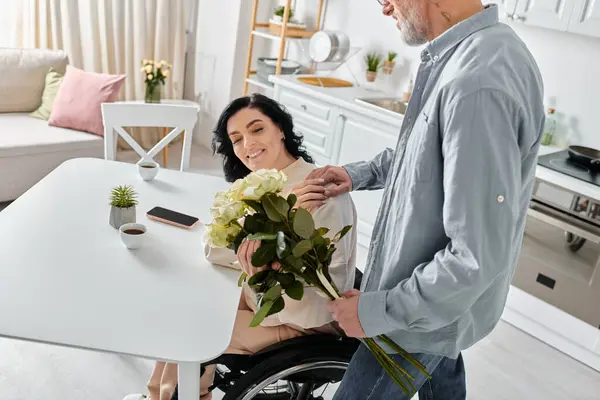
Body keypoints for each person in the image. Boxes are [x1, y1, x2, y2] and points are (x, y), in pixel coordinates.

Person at [304, 0, 545, 398]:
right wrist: (358, 174)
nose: (384, 10)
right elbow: (428, 156)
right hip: (435, 304)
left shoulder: (477, 82)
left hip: (417, 314)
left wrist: (375, 312)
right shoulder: (472, 53)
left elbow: (473, 258)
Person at [123, 93, 357, 400]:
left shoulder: (319, 190)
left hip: (303, 319)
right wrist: (260, 243)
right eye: (236, 138)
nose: (247, 145)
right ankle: (162, 394)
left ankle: (172, 395)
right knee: (181, 302)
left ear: (281, 129)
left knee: (188, 327)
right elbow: (215, 248)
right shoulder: (260, 184)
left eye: (257, 129)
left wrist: (272, 232)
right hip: (263, 299)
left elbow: (318, 287)